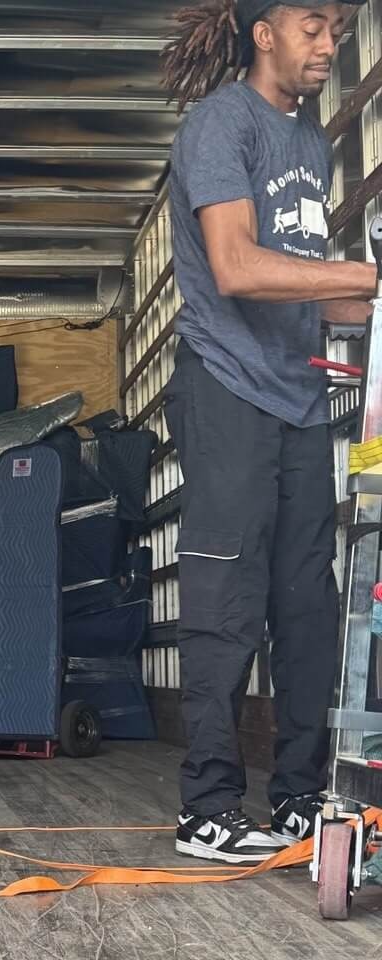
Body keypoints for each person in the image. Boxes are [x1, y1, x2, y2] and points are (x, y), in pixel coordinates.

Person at [162, 0, 377, 864]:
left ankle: (297, 797)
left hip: (298, 398)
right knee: (225, 599)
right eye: (312, 26)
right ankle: (208, 808)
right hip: (227, 386)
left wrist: (367, 296)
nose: (328, 44)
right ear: (264, 32)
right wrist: (364, 274)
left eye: (337, 31)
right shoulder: (222, 124)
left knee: (306, 606)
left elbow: (315, 291)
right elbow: (237, 266)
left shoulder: (308, 142)